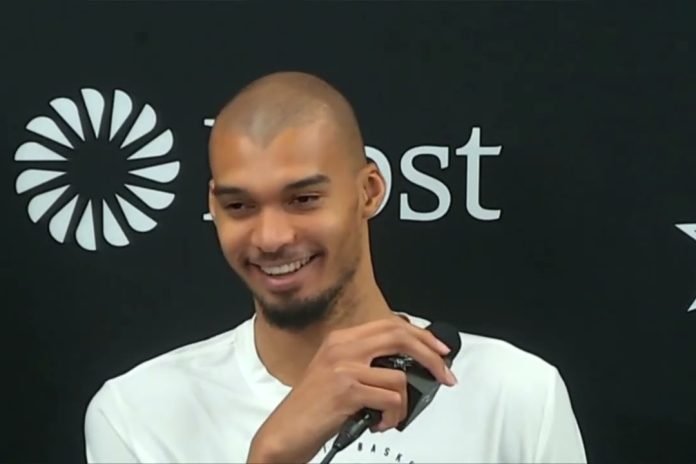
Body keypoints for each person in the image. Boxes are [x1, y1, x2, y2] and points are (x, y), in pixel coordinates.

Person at [84, 71, 587, 464]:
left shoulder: (514, 394)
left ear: (369, 191)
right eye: (240, 206)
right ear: (214, 207)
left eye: (303, 199)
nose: (271, 237)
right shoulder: (137, 412)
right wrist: (272, 456)